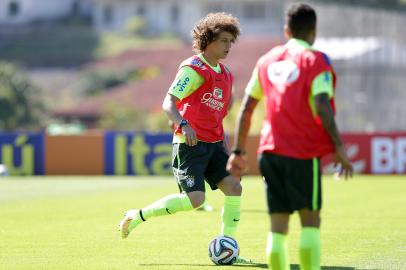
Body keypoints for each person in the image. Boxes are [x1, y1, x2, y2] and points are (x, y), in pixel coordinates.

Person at [227, 3, 353, 270]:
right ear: (313, 31)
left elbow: (247, 107)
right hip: (303, 152)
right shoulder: (316, 60)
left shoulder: (266, 60)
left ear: (286, 30)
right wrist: (339, 147)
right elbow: (321, 105)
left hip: (270, 152)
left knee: (278, 227)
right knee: (310, 222)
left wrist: (238, 152)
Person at [119, 12, 251, 263]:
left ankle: (229, 248)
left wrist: (225, 145)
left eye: (230, 41)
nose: (228, 46)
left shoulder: (226, 75)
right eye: (223, 40)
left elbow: (218, 115)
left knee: (234, 187)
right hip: (190, 145)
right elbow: (168, 103)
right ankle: (137, 215)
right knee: (195, 200)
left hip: (214, 145)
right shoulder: (194, 69)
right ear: (208, 40)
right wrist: (183, 123)